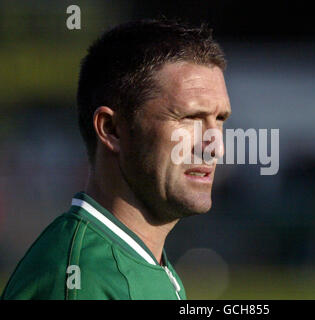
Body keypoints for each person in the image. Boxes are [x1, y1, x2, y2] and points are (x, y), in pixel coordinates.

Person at [1, 19, 231, 300]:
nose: (215, 146)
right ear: (111, 130)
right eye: (190, 118)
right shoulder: (84, 283)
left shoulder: (140, 262)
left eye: (219, 119)